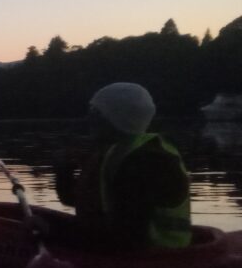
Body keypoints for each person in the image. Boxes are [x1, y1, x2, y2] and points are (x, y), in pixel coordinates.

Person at [54, 83, 190, 250]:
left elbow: (128, 234)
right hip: (127, 250)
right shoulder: (113, 153)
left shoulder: (146, 162)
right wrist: (63, 170)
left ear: (115, 117)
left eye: (96, 112)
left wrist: (54, 234)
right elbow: (81, 202)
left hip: (153, 259)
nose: (88, 119)